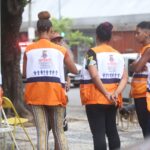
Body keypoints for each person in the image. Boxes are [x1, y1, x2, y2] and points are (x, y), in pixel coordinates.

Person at [23, 11, 78, 150]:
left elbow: (24, 73)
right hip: (56, 95)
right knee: (59, 132)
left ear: (37, 31)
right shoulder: (60, 49)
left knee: (42, 133)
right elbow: (74, 70)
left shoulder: (28, 50)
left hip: (35, 94)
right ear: (50, 30)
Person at [80, 22, 128, 150]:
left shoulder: (91, 53)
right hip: (113, 100)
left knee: (98, 134)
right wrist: (115, 93)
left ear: (97, 36)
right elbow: (124, 77)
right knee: (112, 130)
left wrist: (106, 93)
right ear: (110, 37)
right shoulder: (118, 54)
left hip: (95, 99)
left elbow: (94, 75)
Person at [131, 21, 150, 138]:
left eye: (138, 33)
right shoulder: (142, 50)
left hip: (145, 94)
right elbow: (133, 66)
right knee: (144, 128)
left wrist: (135, 65)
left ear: (147, 33)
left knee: (147, 130)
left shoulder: (148, 50)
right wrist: (135, 65)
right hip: (139, 94)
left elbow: (136, 67)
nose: (135, 36)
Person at [50, 32, 71, 131]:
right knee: (49, 127)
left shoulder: (63, 55)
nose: (59, 42)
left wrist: (68, 81)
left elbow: (67, 73)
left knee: (61, 128)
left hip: (61, 95)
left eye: (60, 40)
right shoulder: (50, 57)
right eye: (56, 40)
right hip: (50, 94)